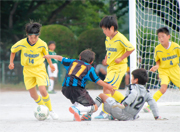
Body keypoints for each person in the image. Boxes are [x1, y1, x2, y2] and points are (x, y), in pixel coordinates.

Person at [43, 49, 115, 121]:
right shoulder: (89, 68)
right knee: (94, 107)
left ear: (80, 57)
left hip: (65, 89)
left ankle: (76, 115)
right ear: (91, 62)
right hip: (77, 89)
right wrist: (108, 86)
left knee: (77, 101)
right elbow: (98, 81)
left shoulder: (73, 62)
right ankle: (76, 109)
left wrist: (48, 56)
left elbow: (59, 57)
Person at [8, 21, 58, 120]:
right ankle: (44, 109)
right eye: (31, 37)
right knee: (33, 94)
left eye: (36, 37)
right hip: (27, 70)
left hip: (39, 69)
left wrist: (51, 64)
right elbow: (13, 51)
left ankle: (50, 110)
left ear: (38, 35)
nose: (33, 40)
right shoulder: (22, 43)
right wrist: (11, 62)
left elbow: (46, 55)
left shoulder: (42, 44)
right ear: (27, 35)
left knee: (43, 90)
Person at [81, 68, 166, 121]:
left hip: (121, 111)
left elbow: (133, 94)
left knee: (101, 96)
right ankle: (113, 116)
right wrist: (156, 116)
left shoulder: (133, 87)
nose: (131, 79)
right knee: (113, 101)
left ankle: (88, 115)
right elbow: (153, 104)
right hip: (131, 117)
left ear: (136, 80)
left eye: (132, 77)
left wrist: (124, 104)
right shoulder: (147, 92)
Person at [95, 15, 135, 119]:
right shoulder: (107, 38)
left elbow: (131, 48)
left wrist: (121, 58)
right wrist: (106, 58)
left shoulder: (120, 38)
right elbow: (109, 50)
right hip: (111, 67)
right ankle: (129, 105)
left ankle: (105, 112)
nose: (104, 32)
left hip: (119, 67)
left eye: (105, 29)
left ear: (112, 28)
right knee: (111, 90)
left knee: (107, 87)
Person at [143, 27, 180, 112]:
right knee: (163, 88)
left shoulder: (175, 46)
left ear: (168, 36)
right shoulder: (158, 48)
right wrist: (156, 66)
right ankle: (150, 106)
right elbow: (158, 60)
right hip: (163, 71)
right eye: (159, 37)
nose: (161, 39)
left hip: (175, 69)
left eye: (163, 36)